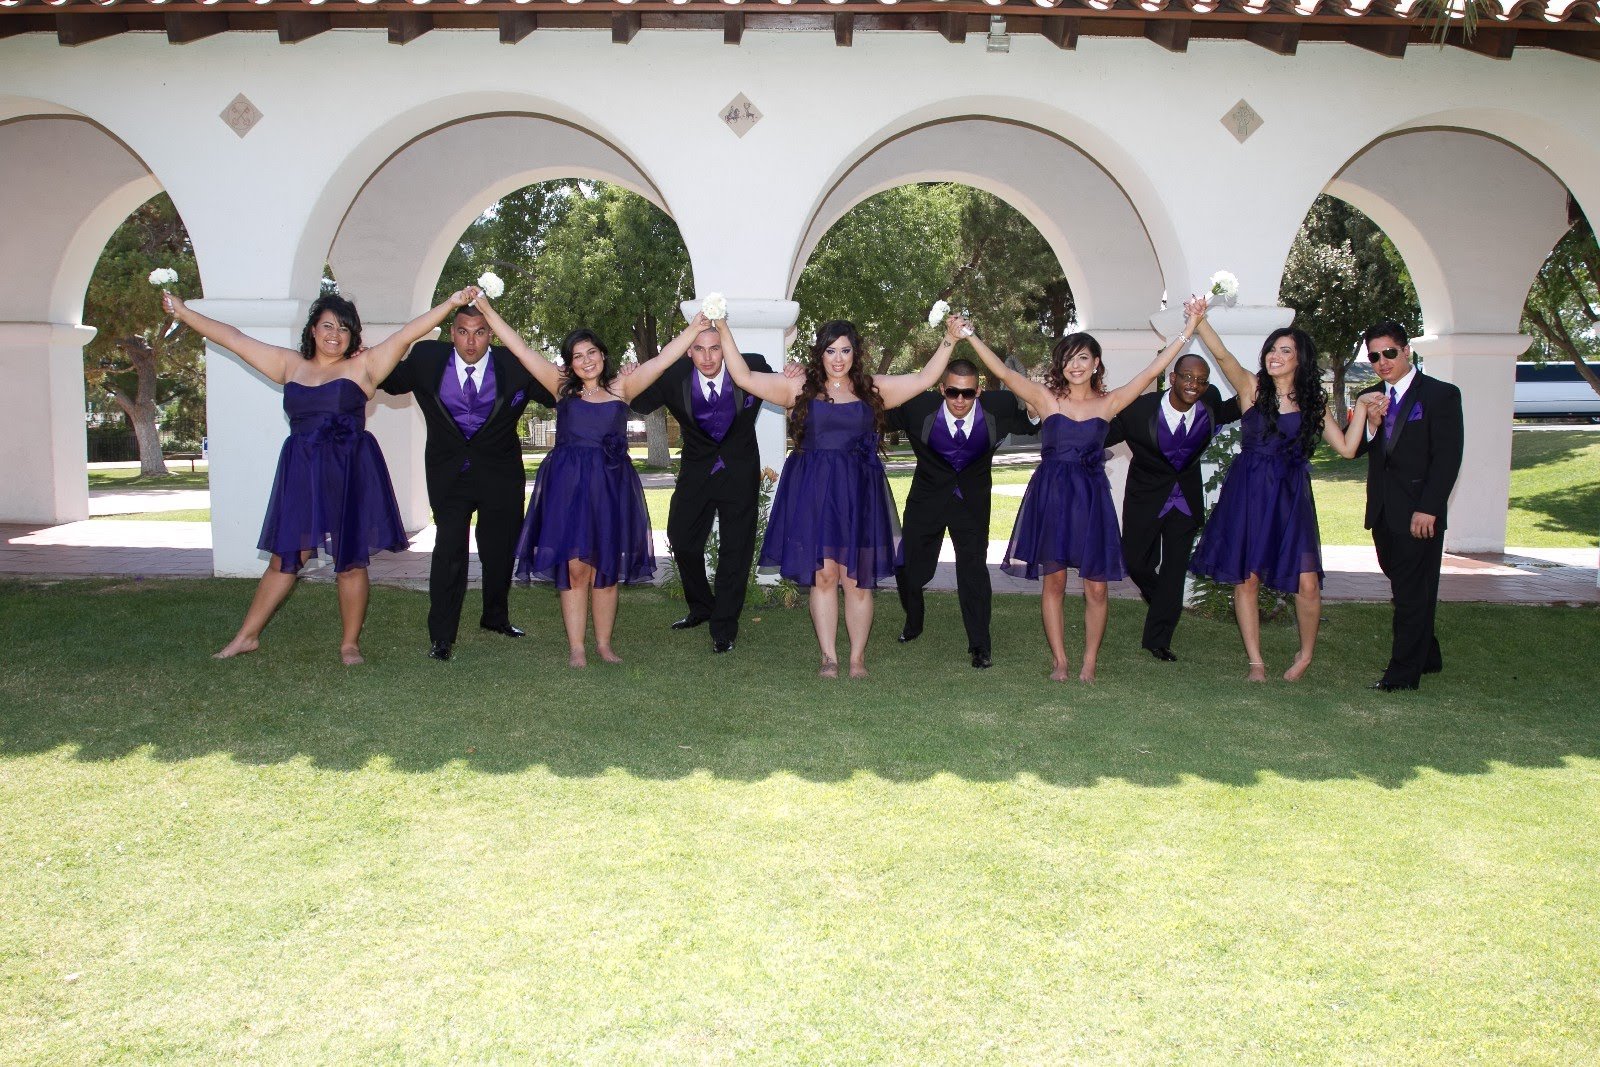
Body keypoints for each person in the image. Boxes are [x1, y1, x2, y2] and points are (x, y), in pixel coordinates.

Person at [162, 286, 481, 664]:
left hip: (349, 473)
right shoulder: (289, 364)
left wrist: (451, 303)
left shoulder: (365, 367)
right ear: (313, 329)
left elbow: (407, 333)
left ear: (353, 336)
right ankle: (246, 637)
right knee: (285, 559)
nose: (335, 334)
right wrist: (184, 313)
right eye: (328, 325)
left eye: (344, 328)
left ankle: (350, 644)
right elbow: (234, 339)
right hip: (302, 473)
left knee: (350, 561)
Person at [963, 306, 1202, 683]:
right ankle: (1060, 660)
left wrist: (1188, 329)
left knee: (1097, 587)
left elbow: (1150, 373)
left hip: (1091, 500)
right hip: (1052, 496)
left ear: (1096, 364)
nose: (1075, 366)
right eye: (1068, 359)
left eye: (1083, 358)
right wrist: (970, 335)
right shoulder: (1046, 399)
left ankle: (1089, 662)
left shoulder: (1109, 403)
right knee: (1054, 581)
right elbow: (1004, 373)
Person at [718, 315, 958, 679]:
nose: (838, 358)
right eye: (830, 350)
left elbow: (924, 379)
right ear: (820, 353)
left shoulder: (872, 390)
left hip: (858, 495)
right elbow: (744, 377)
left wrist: (950, 338)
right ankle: (828, 657)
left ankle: (857, 659)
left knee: (856, 580)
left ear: (855, 353)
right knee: (825, 577)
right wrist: (722, 328)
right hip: (814, 494)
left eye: (845, 350)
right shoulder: (798, 387)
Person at [471, 296, 701, 667]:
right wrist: (486, 311)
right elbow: (521, 348)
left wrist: (697, 326)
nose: (586, 360)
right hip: (568, 487)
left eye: (591, 352)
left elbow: (662, 360)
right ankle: (577, 647)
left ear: (602, 355)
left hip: (610, 487)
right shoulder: (560, 386)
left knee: (605, 568)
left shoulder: (622, 387)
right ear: (570, 363)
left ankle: (604, 645)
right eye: (578, 356)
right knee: (576, 568)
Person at [1186, 297, 1374, 682]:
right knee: (1247, 578)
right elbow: (1222, 356)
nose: (1275, 355)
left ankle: (1305, 654)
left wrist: (1362, 408)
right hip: (1249, 491)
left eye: (1285, 350)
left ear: (1299, 359)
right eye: (1272, 348)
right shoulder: (1251, 388)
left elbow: (1347, 448)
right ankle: (1256, 662)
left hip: (1291, 497)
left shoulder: (1312, 403)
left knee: (1307, 583)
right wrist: (1200, 320)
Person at [379, 303, 556, 662]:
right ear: (451, 333)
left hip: (501, 477)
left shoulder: (514, 364)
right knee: (448, 552)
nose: (471, 341)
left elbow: (558, 392)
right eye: (463, 331)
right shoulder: (427, 358)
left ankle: (495, 617)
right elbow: (387, 378)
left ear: (491, 334)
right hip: (449, 476)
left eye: (479, 332)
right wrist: (356, 354)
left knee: (499, 550)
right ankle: (442, 636)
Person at [629, 321, 773, 654]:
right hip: (697, 473)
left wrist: (794, 370)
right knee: (681, 539)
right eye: (699, 349)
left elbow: (787, 388)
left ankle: (724, 628)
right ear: (688, 351)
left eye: (715, 348)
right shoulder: (673, 376)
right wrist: (634, 374)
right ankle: (701, 606)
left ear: (726, 347)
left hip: (740, 474)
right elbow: (637, 402)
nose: (707, 358)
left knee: (735, 551)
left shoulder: (754, 366)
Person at [888, 357, 1038, 669]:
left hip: (972, 505)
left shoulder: (1000, 406)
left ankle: (980, 646)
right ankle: (914, 621)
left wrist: (1033, 406)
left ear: (978, 390)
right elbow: (876, 414)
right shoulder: (917, 407)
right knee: (910, 569)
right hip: (926, 502)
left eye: (968, 393)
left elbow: (1028, 424)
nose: (960, 399)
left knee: (973, 572)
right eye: (953, 392)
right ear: (941, 388)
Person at [1104, 351, 1241, 662]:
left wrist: (1265, 388)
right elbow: (1102, 435)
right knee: (1135, 563)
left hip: (1186, 502)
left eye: (1201, 380)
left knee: (1174, 571)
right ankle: (1164, 603)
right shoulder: (1139, 409)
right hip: (1145, 499)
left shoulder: (1209, 403)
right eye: (1188, 377)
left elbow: (1233, 408)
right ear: (1173, 378)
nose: (1194, 384)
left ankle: (1159, 639)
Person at [1354, 321, 1464, 691]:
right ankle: (1427, 654)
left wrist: (1429, 507)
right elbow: (1357, 448)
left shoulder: (1440, 395)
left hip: (1420, 513)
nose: (1382, 362)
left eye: (1388, 353)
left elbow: (1447, 458)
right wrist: (1371, 425)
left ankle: (1401, 676)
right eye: (1374, 357)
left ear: (1406, 351)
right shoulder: (1369, 397)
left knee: (1410, 595)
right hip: (1382, 511)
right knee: (1407, 586)